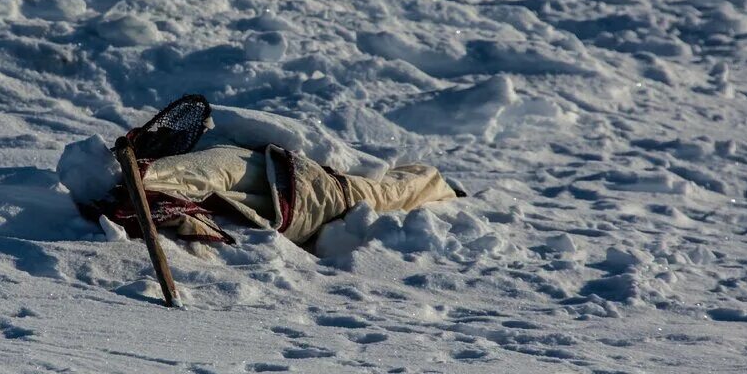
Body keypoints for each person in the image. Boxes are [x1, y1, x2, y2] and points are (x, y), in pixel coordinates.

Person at [59, 95, 461, 246]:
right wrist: (141, 185)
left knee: (401, 187)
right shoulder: (205, 160)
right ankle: (437, 183)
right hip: (315, 192)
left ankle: (440, 185)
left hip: (309, 183)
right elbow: (199, 179)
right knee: (395, 192)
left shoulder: (213, 151)